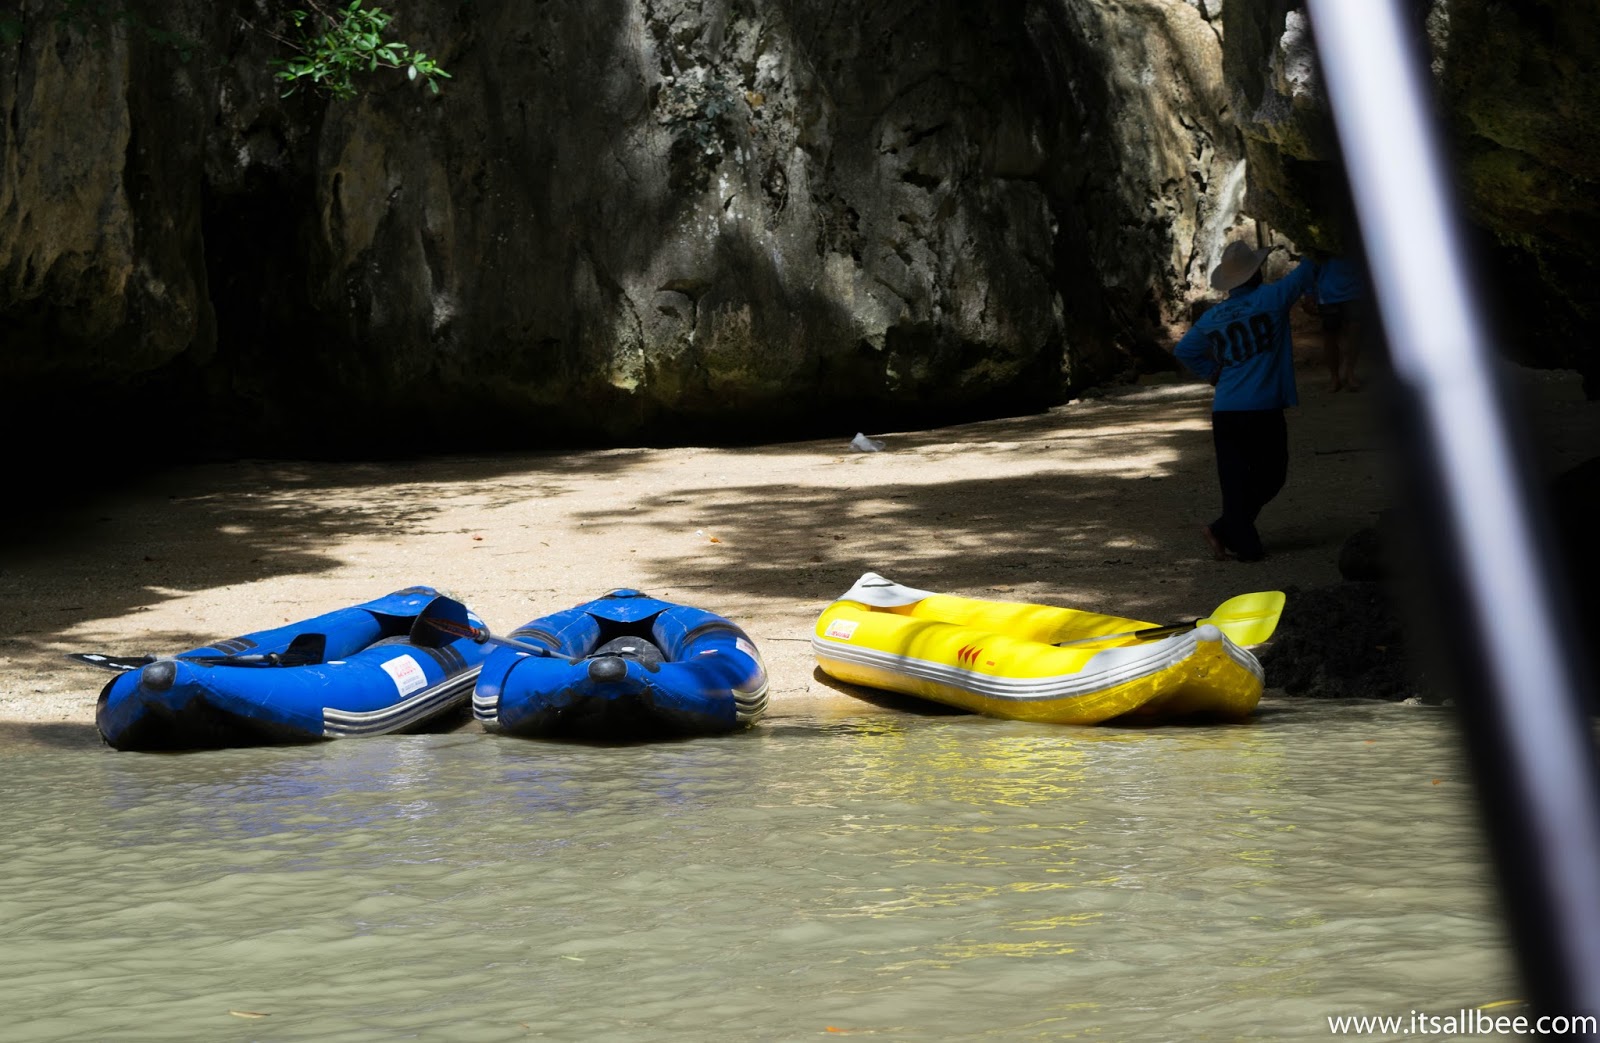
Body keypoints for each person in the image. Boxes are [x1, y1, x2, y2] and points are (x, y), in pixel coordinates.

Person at [1174, 239, 1319, 562]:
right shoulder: (1273, 297)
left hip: (1226, 409)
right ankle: (1233, 534)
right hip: (1264, 407)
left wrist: (1211, 372)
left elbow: (1184, 350)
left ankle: (1228, 529)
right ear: (1257, 273)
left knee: (1235, 477)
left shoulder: (1215, 316)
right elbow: (1308, 268)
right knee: (1272, 474)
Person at [1312, 254, 1366, 391]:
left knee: (1355, 331)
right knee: (1330, 335)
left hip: (1355, 288)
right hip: (1328, 292)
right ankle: (1334, 377)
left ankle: (1350, 372)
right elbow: (1310, 258)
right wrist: (1308, 291)